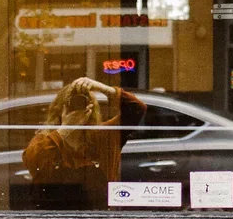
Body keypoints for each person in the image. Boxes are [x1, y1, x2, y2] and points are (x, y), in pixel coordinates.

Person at [22, 76, 148, 209]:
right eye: (72, 104)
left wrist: (103, 89)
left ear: (91, 108)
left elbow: (137, 108)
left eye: (83, 103)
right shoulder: (47, 141)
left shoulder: (103, 136)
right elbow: (32, 161)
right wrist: (65, 129)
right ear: (60, 109)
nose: (77, 108)